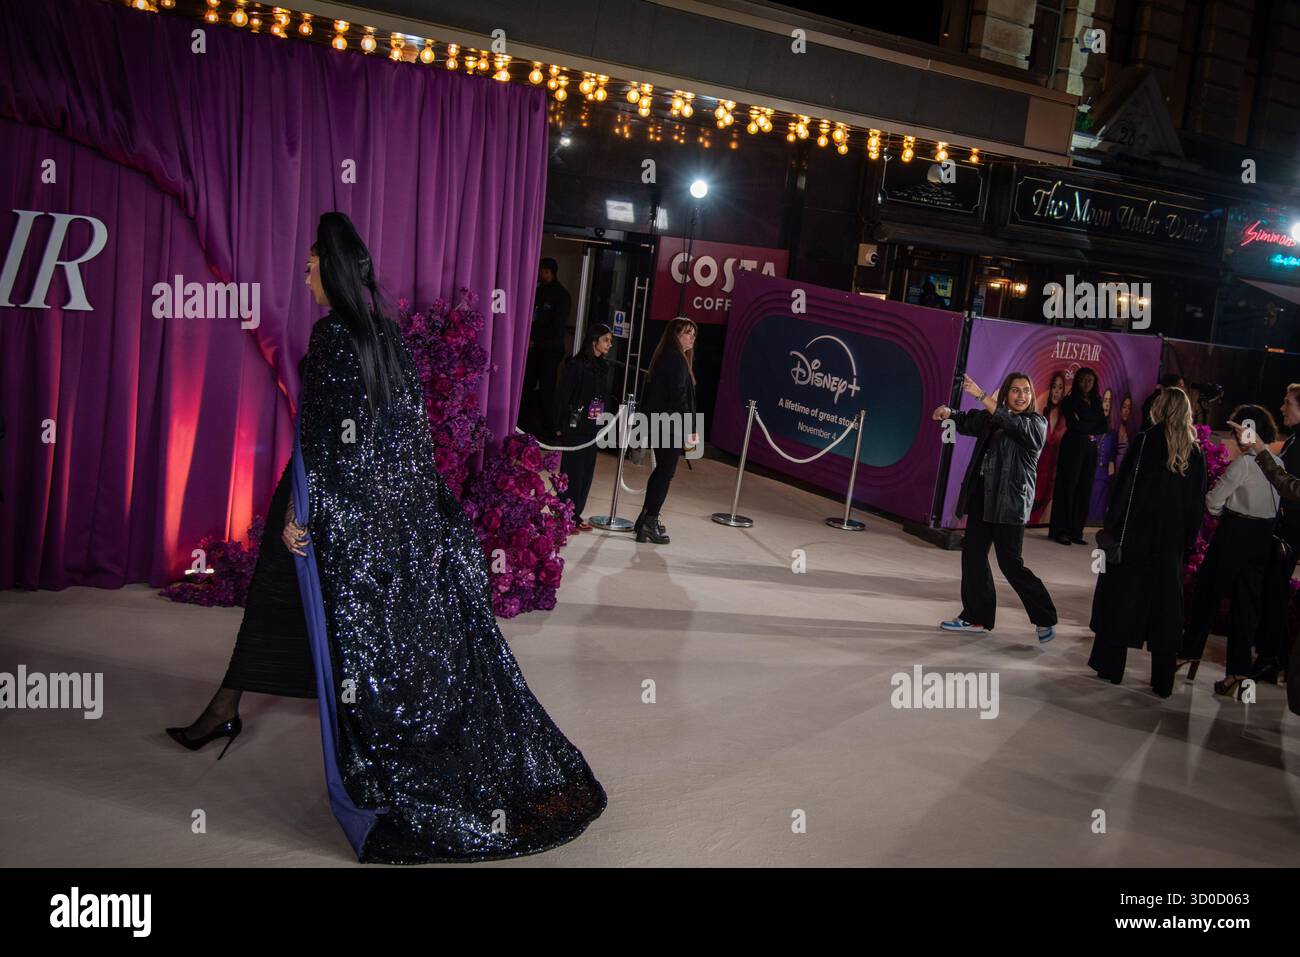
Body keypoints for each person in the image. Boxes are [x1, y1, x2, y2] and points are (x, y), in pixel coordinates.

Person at [166, 213, 606, 863]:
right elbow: (406, 442)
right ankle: (224, 707)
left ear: (335, 270)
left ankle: (229, 710)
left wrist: (306, 517)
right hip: (371, 508)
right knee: (276, 598)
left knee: (290, 599)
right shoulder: (387, 338)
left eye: (314, 265)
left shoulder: (331, 338)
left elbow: (322, 439)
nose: (307, 274)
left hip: (327, 501)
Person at [1087, 388, 1206, 696]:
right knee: (1165, 611)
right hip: (1170, 544)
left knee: (1122, 601)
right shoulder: (1195, 452)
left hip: (1136, 537)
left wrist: (1112, 527)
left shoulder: (1145, 441)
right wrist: (1187, 543)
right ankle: (1162, 680)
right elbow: (1196, 505)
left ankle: (1111, 668)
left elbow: (1125, 487)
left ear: (1160, 407)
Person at [934, 372, 1058, 642]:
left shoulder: (1036, 423)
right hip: (982, 499)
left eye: (1026, 390)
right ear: (1006, 395)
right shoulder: (992, 419)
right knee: (973, 557)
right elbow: (969, 420)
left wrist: (980, 394)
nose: (1022, 395)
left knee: (1011, 564)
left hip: (1010, 505)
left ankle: (1045, 617)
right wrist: (949, 412)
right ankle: (975, 617)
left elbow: (1011, 423)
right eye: (1015, 390)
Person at [1178, 404, 1283, 700]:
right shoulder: (1278, 463)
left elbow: (1212, 502)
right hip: (1263, 537)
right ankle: (1237, 671)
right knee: (1246, 607)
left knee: (1207, 596)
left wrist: (1221, 512)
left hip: (1234, 533)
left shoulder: (1244, 464)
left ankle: (1187, 653)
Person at [1230, 383, 1300, 693]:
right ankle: (1273, 656)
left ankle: (1269, 657)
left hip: (1289, 534)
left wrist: (1257, 449)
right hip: (1285, 531)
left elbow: (1287, 486)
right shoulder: (1295, 440)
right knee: (1272, 594)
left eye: (1288, 403)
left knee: (1272, 595)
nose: (1283, 408)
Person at [635, 318, 699, 545]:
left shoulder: (668, 357)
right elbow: (679, 398)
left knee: (662, 471)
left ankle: (645, 519)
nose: (692, 337)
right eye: (687, 333)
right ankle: (649, 521)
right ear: (675, 335)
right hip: (669, 426)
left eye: (693, 334)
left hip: (661, 423)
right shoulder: (676, 360)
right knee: (665, 473)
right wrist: (691, 428)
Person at [553, 323, 613, 532]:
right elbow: (563, 395)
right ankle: (563, 516)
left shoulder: (603, 367)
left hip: (592, 427)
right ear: (594, 340)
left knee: (586, 473)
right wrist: (560, 425)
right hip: (575, 426)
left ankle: (575, 515)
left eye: (610, 340)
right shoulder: (576, 365)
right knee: (572, 472)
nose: (609, 344)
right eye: (606, 340)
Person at [1049, 366, 1108, 545]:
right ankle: (1061, 531)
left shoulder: (1097, 401)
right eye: (1083, 380)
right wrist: (1090, 426)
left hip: (1090, 449)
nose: (1086, 384)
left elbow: (1104, 426)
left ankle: (1076, 531)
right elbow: (1074, 425)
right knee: (1068, 487)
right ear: (1077, 381)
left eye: (1090, 380)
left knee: (1085, 488)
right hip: (1072, 447)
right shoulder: (1069, 400)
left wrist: (1085, 424)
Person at [523, 258, 571, 436]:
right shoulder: (538, 291)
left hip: (549, 351)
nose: (539, 274)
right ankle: (524, 425)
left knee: (546, 389)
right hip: (533, 350)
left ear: (548, 272)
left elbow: (557, 327)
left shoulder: (561, 296)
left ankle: (548, 430)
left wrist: (537, 341)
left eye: (542, 271)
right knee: (526, 387)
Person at [1030, 371, 1067, 525]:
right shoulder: (1042, 414)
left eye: (1060, 387)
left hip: (1054, 476)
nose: (1056, 391)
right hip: (1038, 473)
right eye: (1054, 387)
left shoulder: (1066, 418)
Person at [1089, 387, 1117, 521]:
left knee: (1098, 516)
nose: (1106, 403)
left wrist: (1111, 483)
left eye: (1109, 401)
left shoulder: (1113, 432)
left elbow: (1112, 459)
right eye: (1105, 400)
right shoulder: (1093, 426)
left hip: (1104, 477)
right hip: (1090, 474)